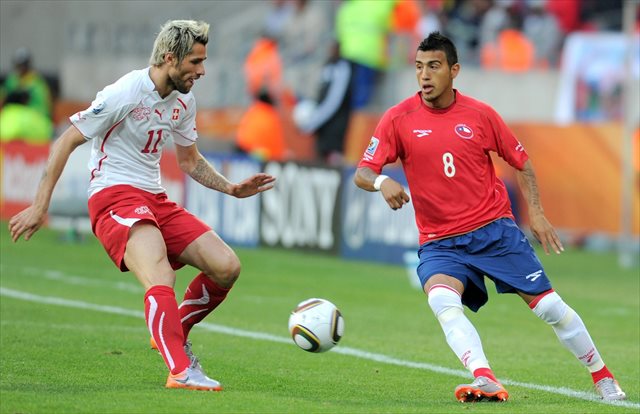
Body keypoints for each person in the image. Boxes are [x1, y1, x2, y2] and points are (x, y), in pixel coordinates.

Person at [353, 32, 626, 402]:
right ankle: (484, 377)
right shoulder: (397, 118)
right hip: (440, 242)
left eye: (434, 66)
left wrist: (539, 215)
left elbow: (522, 163)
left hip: (493, 232)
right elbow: (363, 172)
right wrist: (383, 180)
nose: (425, 76)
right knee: (442, 303)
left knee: (550, 309)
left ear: (454, 70)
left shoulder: (480, 115)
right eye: (419, 67)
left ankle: (603, 375)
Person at [8, 20, 276, 391]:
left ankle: (172, 328)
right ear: (170, 58)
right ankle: (181, 370)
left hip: (155, 198)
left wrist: (231, 188)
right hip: (113, 196)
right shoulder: (125, 92)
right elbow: (67, 140)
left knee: (227, 266)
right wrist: (40, 206)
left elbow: (189, 161)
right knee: (161, 275)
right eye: (196, 62)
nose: (202, 71)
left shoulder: (184, 99)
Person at [294, 41, 353, 166]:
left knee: (333, 161)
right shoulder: (328, 66)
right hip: (323, 128)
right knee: (320, 158)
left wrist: (313, 122)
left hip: (336, 125)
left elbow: (333, 102)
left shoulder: (342, 68)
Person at [0, 48, 53, 119]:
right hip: (13, 118)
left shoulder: (37, 83)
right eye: (18, 65)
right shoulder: (12, 80)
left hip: (33, 119)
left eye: (24, 65)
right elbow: (3, 97)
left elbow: (43, 108)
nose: (21, 68)